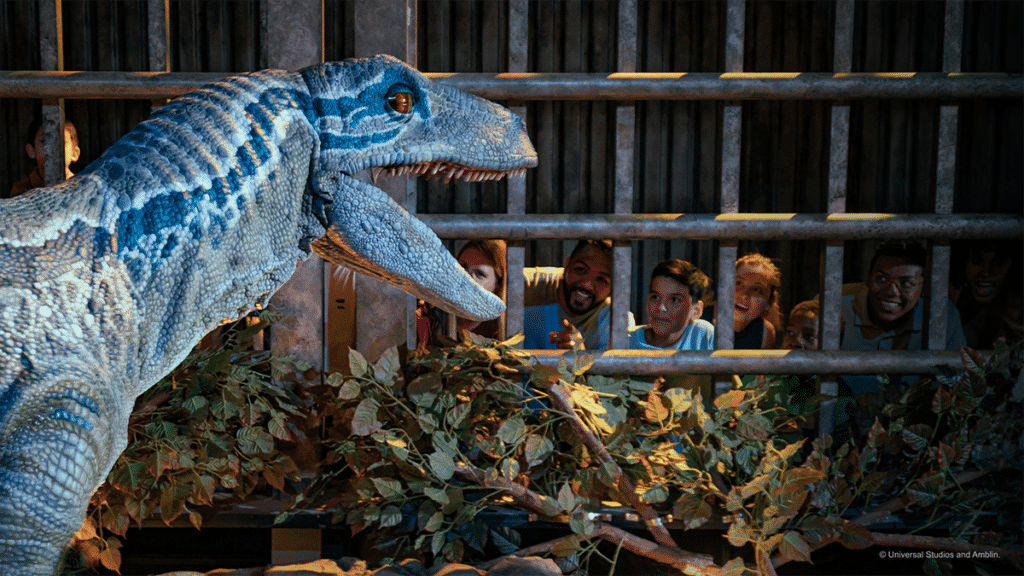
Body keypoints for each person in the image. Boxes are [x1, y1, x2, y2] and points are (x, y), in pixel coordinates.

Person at [838, 239, 967, 396]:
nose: (891, 292)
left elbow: (960, 384)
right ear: (868, 277)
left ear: (924, 288)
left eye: (906, 283)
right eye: (881, 278)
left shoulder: (941, 314)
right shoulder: (836, 303)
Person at [522, 239, 633, 350]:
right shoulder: (528, 285)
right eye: (580, 269)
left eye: (601, 279)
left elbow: (621, 365)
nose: (587, 285)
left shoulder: (616, 318)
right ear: (567, 264)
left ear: (613, 288)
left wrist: (580, 358)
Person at [417, 239, 506, 350]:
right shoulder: (431, 313)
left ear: (497, 287)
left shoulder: (502, 327)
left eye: (479, 274)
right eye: (462, 267)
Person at [949, 240, 1022, 349]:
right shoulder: (948, 299)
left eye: (997, 263)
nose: (986, 272)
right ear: (964, 264)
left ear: (1009, 265)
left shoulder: (1015, 311)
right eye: (977, 261)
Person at [629, 259, 714, 351]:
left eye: (674, 300)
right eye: (655, 297)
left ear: (696, 310)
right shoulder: (628, 342)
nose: (661, 307)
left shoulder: (703, 335)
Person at [10, 117, 81, 197]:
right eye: (44, 141)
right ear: (31, 151)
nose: (52, 148)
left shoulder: (81, 187)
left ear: (74, 153)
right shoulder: (21, 189)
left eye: (61, 142)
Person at [732, 253, 783, 349]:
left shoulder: (765, 333)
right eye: (738, 283)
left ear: (769, 302)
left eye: (756, 289)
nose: (744, 295)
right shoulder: (700, 319)